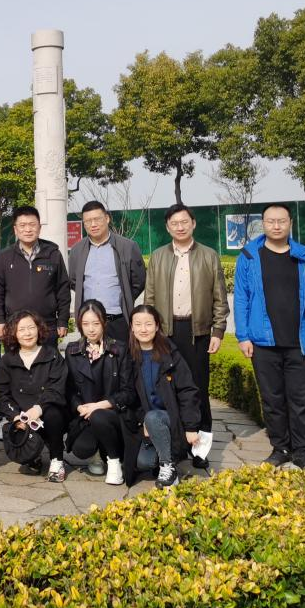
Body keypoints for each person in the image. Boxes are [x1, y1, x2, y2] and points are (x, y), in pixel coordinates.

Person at [233, 203, 305, 471]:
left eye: (281, 221)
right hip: (263, 343)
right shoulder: (249, 256)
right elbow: (241, 298)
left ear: (290, 223)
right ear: (262, 224)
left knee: (301, 400)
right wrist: (243, 336)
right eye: (270, 221)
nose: (276, 226)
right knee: (272, 399)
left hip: (300, 342)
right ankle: (281, 448)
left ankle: (302, 452)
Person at [142, 203, 229, 466]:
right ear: (168, 227)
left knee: (198, 389)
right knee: (167, 388)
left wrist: (218, 330)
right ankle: (174, 443)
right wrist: (150, 328)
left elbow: (219, 298)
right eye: (174, 223)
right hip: (166, 331)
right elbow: (150, 296)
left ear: (193, 224)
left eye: (184, 222)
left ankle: (200, 449)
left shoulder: (209, 256)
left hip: (197, 332)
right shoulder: (158, 256)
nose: (180, 227)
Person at [124, 305, 201, 489]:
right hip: (147, 424)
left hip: (172, 420)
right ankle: (164, 457)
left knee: (154, 418)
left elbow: (188, 391)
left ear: (157, 326)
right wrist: (142, 421)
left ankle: (168, 466)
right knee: (144, 462)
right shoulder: (129, 357)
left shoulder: (170, 354)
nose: (143, 329)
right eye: (138, 324)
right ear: (132, 327)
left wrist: (191, 427)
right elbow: (129, 397)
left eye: (148, 324)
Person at [63, 300, 137, 485]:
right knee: (81, 448)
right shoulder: (72, 350)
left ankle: (113, 462)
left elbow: (129, 392)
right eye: (86, 324)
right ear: (79, 325)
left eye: (96, 323)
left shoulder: (120, 349)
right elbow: (69, 390)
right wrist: (79, 407)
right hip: (86, 415)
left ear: (104, 322)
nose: (91, 329)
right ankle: (97, 452)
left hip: (114, 414)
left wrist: (99, 406)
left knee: (99, 416)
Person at [0, 311, 68, 482]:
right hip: (21, 416)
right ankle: (33, 456)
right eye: (21, 329)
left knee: (53, 414)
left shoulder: (52, 355)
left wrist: (39, 409)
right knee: (23, 449)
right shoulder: (7, 361)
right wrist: (15, 416)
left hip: (47, 411)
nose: (27, 333)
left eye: (31, 328)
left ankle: (57, 459)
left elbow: (57, 389)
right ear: (14, 333)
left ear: (39, 329)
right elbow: (2, 394)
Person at [67, 200, 146, 344]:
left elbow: (139, 281)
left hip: (118, 320)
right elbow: (74, 281)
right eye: (88, 221)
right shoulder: (77, 250)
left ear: (107, 218)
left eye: (97, 219)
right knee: (91, 357)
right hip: (90, 323)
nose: (93, 225)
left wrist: (125, 298)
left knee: (121, 357)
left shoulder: (127, 246)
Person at [0, 206, 71, 341]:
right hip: (15, 326)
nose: (28, 229)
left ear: (39, 228)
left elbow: (63, 289)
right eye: (22, 225)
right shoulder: (4, 257)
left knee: (47, 355)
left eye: (32, 225)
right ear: (15, 229)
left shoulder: (53, 254)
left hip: (47, 325)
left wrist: (63, 320)